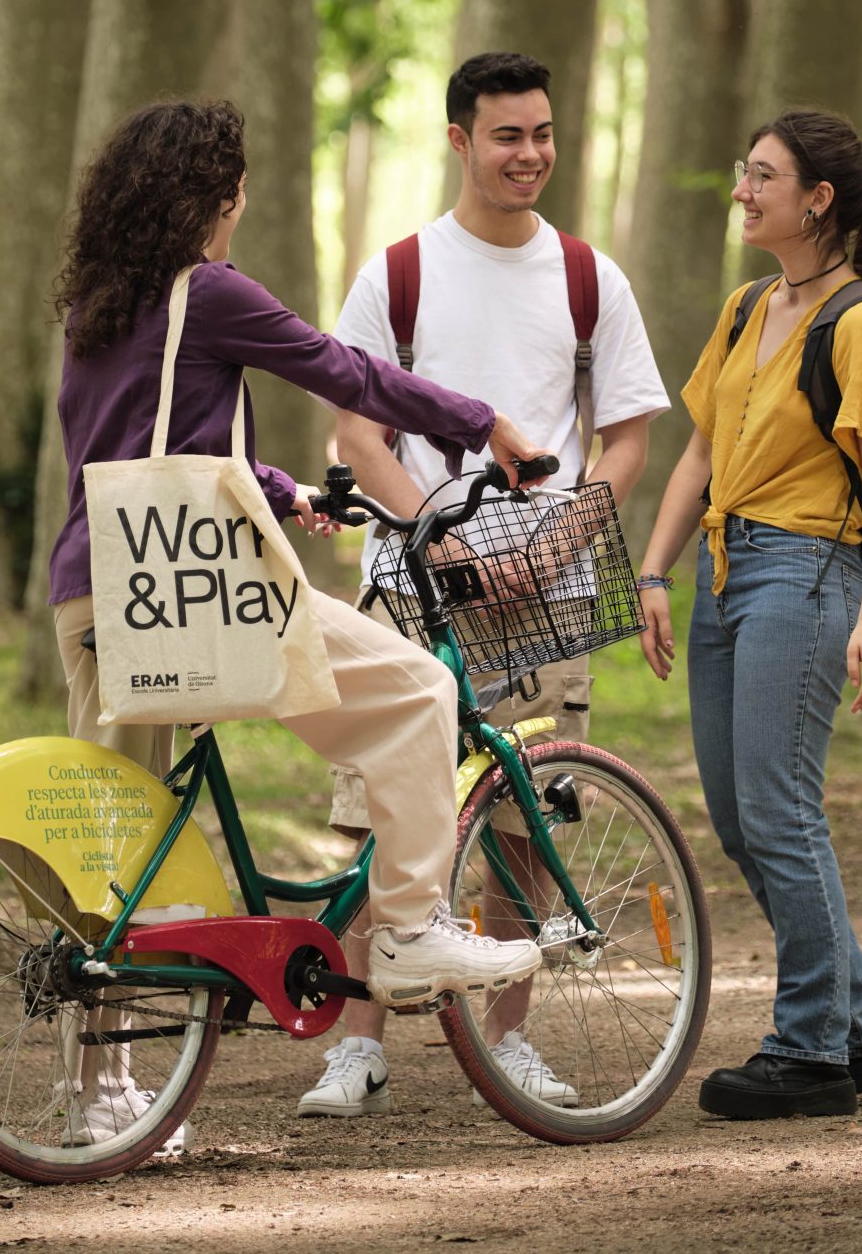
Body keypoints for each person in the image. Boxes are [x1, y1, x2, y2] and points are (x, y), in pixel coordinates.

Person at [48, 98, 551, 1148]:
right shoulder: (209, 290)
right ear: (213, 197)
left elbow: (148, 446)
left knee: (116, 833)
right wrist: (482, 424)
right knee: (418, 690)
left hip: (100, 588)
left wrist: (283, 491)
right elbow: (342, 370)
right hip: (206, 592)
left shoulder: (100, 306)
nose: (240, 207)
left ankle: (98, 1093)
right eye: (236, 190)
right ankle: (409, 929)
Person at [297, 51, 668, 1120]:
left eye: (542, 133)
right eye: (508, 135)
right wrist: (443, 546)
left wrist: (556, 548)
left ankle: (511, 1041)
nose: (530, 154)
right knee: (379, 812)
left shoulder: (590, 278)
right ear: (460, 139)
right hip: (414, 587)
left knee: (526, 815)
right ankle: (357, 1045)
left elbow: (628, 438)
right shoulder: (400, 273)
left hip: (550, 594)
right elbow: (358, 437)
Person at [636, 107, 862, 1121]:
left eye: (762, 176)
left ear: (817, 199)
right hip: (724, 570)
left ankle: (810, 1052)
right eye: (743, 171)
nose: (743, 191)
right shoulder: (748, 305)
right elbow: (701, 454)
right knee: (740, 816)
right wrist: (654, 573)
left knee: (780, 811)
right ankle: (860, 1030)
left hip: (806, 572)